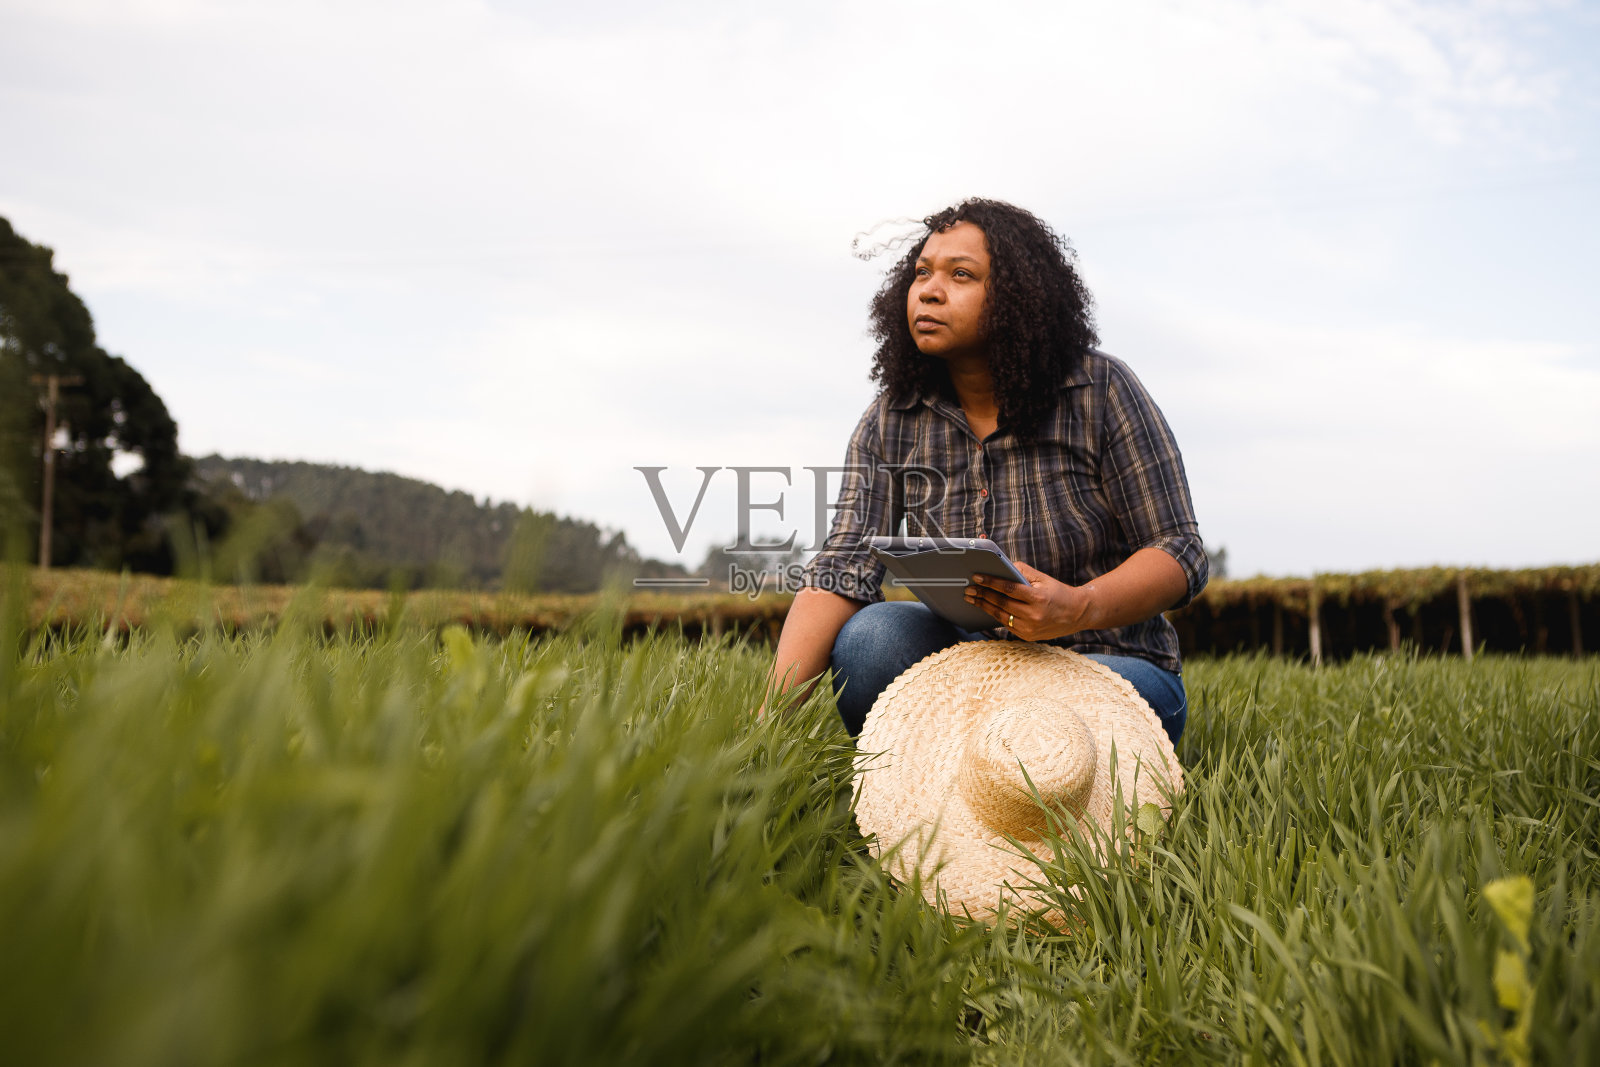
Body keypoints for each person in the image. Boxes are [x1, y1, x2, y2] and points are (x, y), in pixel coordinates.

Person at [764, 198, 1207, 745]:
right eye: (922, 272)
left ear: (1017, 301)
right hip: (967, 663)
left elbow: (1179, 551)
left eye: (961, 275)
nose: (929, 289)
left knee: (1083, 718)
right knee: (872, 639)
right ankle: (967, 765)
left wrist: (1077, 606)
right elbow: (843, 567)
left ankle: (991, 754)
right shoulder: (891, 418)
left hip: (1105, 660)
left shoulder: (1101, 389)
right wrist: (766, 732)